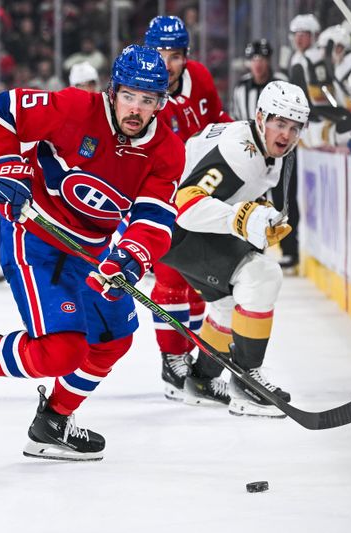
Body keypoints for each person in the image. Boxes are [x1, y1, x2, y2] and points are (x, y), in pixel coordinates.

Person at [0, 44, 184, 462]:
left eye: (148, 100)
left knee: (113, 339)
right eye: (129, 95)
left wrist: (132, 254)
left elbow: (153, 217)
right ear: (112, 91)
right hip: (35, 239)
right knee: (63, 350)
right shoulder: (74, 107)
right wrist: (6, 168)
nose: (135, 109)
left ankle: (52, 423)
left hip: (92, 252)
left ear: (160, 103)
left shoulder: (166, 150)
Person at [160, 81, 309, 416]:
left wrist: (259, 219)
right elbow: (186, 206)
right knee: (262, 275)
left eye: (294, 127)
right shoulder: (239, 152)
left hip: (176, 226)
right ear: (260, 118)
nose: (286, 134)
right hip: (173, 225)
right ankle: (246, 383)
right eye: (279, 123)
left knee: (229, 304)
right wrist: (242, 220)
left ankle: (201, 380)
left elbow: (235, 197)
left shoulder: (270, 148)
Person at [141, 15, 233, 403]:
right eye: (159, 54)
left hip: (200, 193)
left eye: (174, 55)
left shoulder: (201, 78)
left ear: (186, 56)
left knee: (199, 283)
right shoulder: (141, 89)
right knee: (170, 281)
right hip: (159, 194)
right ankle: (172, 359)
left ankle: (190, 358)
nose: (166, 63)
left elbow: (217, 120)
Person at [0, 60, 103, 288]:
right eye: (82, 85)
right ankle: (16, 264)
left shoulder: (109, 118)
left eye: (91, 83)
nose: (88, 89)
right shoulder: (62, 113)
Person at [231, 39, 288, 121]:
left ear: (268, 61)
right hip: (247, 133)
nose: (257, 64)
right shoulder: (241, 87)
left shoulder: (281, 84)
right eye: (253, 60)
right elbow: (235, 117)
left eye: (262, 60)